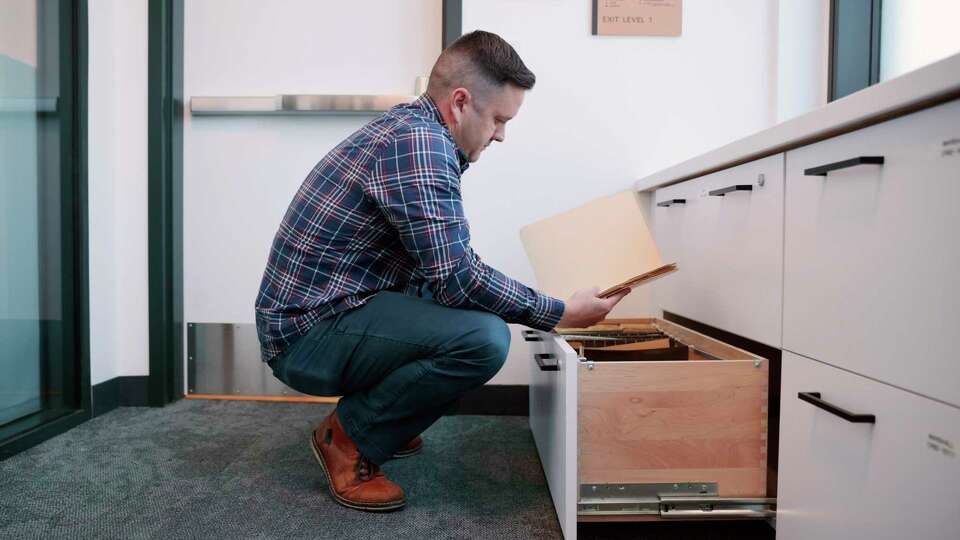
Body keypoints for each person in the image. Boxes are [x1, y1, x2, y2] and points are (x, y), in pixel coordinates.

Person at [255, 30, 628, 512]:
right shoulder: (419, 144)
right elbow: (459, 276)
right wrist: (557, 312)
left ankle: (384, 419)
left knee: (461, 312)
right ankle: (348, 438)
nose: (500, 135)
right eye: (498, 119)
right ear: (459, 103)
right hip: (306, 338)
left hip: (333, 314)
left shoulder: (416, 133)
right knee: (483, 339)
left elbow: (446, 273)